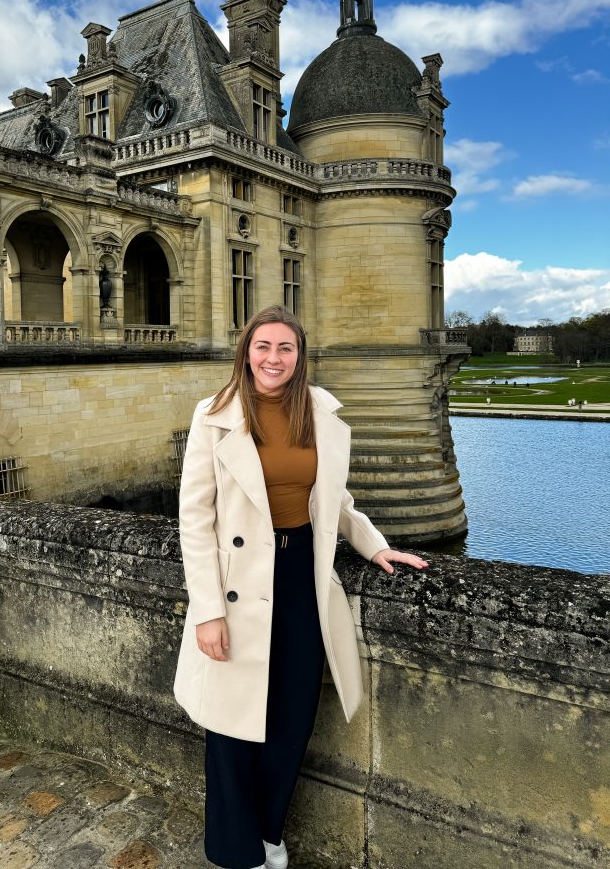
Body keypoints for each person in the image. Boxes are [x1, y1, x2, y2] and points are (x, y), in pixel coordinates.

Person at [173, 305, 429, 869]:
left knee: (291, 719)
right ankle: (235, 852)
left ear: (299, 356)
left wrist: (374, 544)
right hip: (238, 584)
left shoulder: (320, 413)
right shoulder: (214, 416)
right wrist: (208, 611)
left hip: (300, 580)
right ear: (246, 352)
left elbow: (336, 502)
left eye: (284, 348)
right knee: (232, 724)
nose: (273, 358)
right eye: (262, 347)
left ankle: (269, 833)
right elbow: (195, 519)